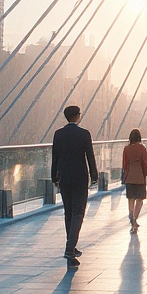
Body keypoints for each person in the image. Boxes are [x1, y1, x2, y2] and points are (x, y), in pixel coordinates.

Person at [51, 105, 97, 266]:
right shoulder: (84, 134)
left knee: (68, 212)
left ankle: (71, 247)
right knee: (78, 212)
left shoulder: (58, 134)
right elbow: (90, 156)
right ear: (77, 116)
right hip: (80, 177)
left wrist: (53, 176)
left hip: (64, 177)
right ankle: (70, 248)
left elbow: (54, 156)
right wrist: (95, 176)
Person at [121, 128, 147, 232]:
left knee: (130, 199)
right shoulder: (142, 148)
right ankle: (134, 218)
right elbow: (145, 163)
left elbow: (124, 164)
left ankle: (131, 215)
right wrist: (146, 173)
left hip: (129, 177)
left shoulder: (126, 149)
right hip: (140, 176)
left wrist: (125, 175)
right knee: (140, 199)